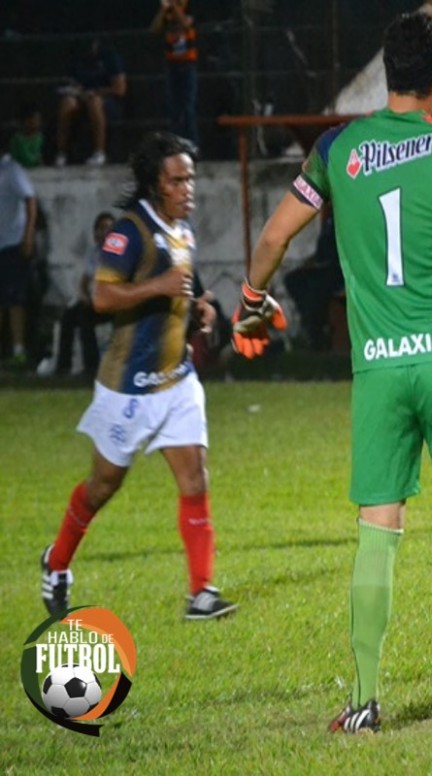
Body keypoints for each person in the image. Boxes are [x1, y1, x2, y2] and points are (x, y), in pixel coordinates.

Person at [232, 12, 432, 732]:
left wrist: (251, 306)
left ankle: (364, 701)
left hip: (378, 369)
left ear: (387, 75)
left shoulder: (336, 150)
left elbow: (276, 235)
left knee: (378, 528)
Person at [39, 132, 236, 621]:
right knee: (102, 486)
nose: (187, 187)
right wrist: (159, 286)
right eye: (177, 180)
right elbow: (102, 299)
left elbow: (186, 295)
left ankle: (201, 593)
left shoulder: (183, 231)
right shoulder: (128, 233)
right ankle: (57, 560)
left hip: (177, 381)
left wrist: (200, 312)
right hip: (129, 388)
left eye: (190, 177)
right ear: (155, 183)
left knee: (195, 478)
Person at [54, 211, 115, 376]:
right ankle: (63, 365)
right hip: (96, 300)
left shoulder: (119, 255)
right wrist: (85, 297)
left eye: (109, 228)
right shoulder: (94, 253)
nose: (104, 232)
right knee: (69, 316)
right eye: (101, 228)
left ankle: (92, 366)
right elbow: (84, 282)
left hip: (115, 302)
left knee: (85, 317)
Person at [55, 38, 127, 167]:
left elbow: (120, 89)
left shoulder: (109, 56)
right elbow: (72, 82)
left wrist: (96, 92)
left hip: (107, 100)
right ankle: (62, 153)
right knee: (67, 103)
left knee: (94, 102)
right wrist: (75, 91)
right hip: (82, 97)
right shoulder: (77, 57)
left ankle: (99, 152)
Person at [0, 140, 38, 368]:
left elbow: (30, 200)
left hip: (13, 242)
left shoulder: (12, 170)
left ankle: (18, 349)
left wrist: (28, 235)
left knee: (15, 299)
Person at [283, 212, 344, 350]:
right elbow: (321, 251)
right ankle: (305, 314)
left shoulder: (345, 220)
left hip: (336, 269)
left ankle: (316, 332)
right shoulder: (329, 220)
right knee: (292, 279)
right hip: (321, 266)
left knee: (316, 289)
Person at [150, 0, 199, 146]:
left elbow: (185, 23)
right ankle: (174, 143)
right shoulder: (168, 17)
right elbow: (154, 29)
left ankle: (192, 143)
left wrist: (174, 6)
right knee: (174, 108)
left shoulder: (188, 13)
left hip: (187, 65)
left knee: (188, 107)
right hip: (172, 66)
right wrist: (162, 11)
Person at [11, 104, 43, 169]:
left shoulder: (41, 138)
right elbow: (14, 162)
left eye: (39, 120)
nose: (38, 122)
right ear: (27, 121)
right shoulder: (17, 140)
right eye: (35, 119)